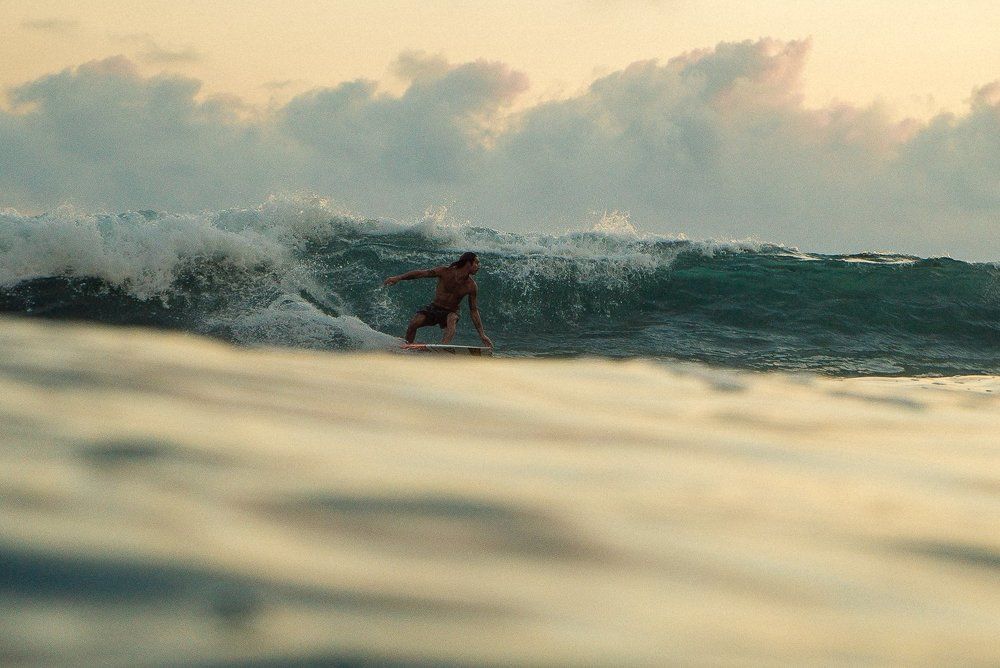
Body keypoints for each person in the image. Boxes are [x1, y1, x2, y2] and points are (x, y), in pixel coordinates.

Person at [383, 251, 493, 348]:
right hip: (434, 308)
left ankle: (442, 348)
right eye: (476, 263)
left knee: (452, 318)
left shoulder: (471, 286)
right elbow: (421, 273)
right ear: (468, 263)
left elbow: (473, 310)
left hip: (451, 311)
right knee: (414, 322)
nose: (478, 266)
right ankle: (407, 346)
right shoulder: (444, 271)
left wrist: (482, 334)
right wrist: (398, 278)